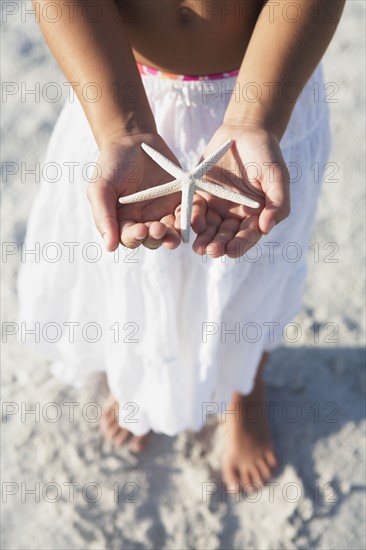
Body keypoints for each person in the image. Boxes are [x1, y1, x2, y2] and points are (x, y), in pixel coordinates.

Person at [18, 0, 345, 492]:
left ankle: (244, 390)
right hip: (124, 97)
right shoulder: (121, 121)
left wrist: (256, 120)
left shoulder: (260, 121)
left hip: (264, 105)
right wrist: (120, 128)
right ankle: (138, 378)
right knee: (127, 270)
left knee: (250, 273)